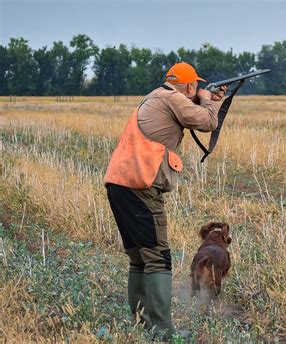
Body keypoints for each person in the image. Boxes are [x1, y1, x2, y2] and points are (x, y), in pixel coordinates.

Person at [104, 62, 226, 340]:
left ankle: (139, 323)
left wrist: (208, 100)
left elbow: (196, 112)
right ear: (190, 86)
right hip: (141, 186)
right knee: (158, 258)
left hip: (119, 184)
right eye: (195, 86)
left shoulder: (155, 96)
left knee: (139, 258)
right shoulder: (172, 98)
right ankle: (161, 330)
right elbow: (207, 122)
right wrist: (208, 101)